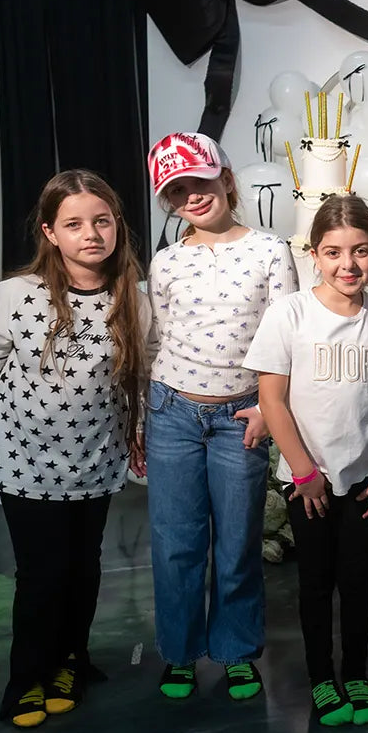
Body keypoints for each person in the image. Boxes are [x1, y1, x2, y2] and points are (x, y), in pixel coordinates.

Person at [0, 169, 150, 728]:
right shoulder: (15, 295)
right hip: (26, 462)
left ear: (117, 225)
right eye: (73, 224)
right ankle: (27, 677)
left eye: (101, 221)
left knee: (83, 567)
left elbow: (137, 378)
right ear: (50, 232)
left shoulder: (132, 298)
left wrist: (135, 434)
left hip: (95, 459)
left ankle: (73, 658)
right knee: (41, 573)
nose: (90, 234)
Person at [144, 132, 296, 702]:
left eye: (201, 183)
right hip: (172, 412)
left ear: (226, 179)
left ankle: (235, 649)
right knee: (176, 541)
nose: (193, 197)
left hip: (242, 417)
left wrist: (266, 407)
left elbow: (285, 339)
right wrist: (143, 419)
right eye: (178, 192)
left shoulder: (269, 250)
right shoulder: (166, 262)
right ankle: (180, 652)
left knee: (236, 541)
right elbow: (156, 339)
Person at [246, 195, 368, 727]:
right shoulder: (290, 313)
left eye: (361, 251)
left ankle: (354, 672)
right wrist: (305, 474)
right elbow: (273, 401)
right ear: (313, 254)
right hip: (306, 480)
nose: (348, 265)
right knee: (315, 582)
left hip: (365, 481)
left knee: (358, 581)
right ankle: (321, 677)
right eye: (333, 252)